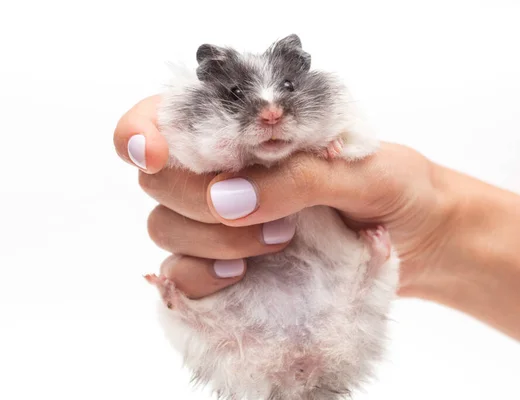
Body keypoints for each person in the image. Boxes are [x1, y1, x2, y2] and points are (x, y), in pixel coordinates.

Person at [114, 95, 520, 341]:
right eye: (239, 95)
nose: (271, 113)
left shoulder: (336, 125)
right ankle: (183, 308)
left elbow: (360, 142)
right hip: (252, 328)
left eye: (287, 90)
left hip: (333, 308)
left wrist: (439, 234)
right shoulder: (200, 124)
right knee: (216, 322)